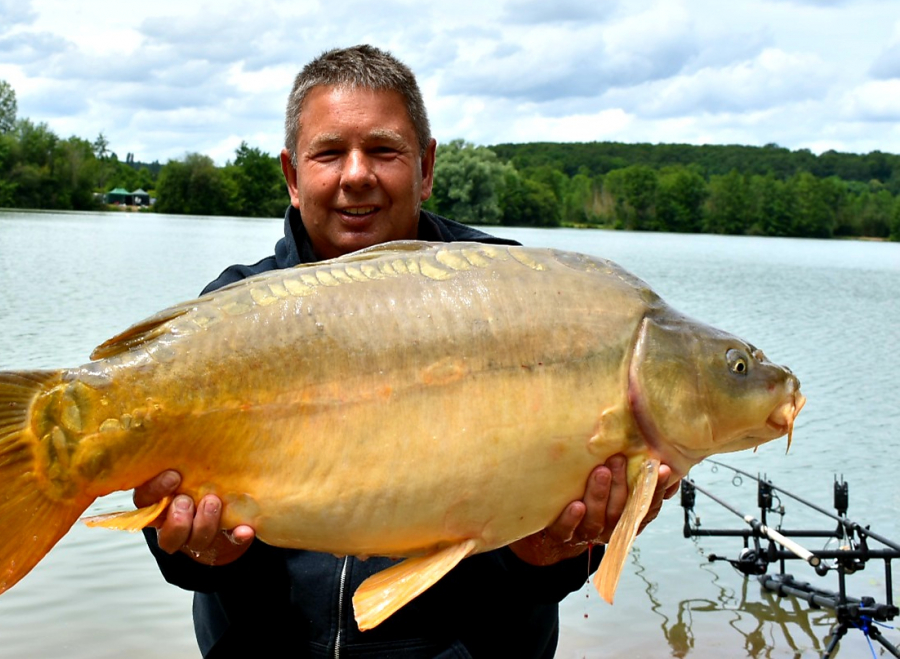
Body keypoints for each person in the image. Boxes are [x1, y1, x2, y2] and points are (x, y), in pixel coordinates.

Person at [134, 44, 676, 657]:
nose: (356, 174)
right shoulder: (231, 314)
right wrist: (204, 552)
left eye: (384, 150)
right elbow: (182, 547)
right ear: (292, 175)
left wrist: (545, 555)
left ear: (426, 167)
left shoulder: (521, 299)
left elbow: (541, 568)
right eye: (329, 153)